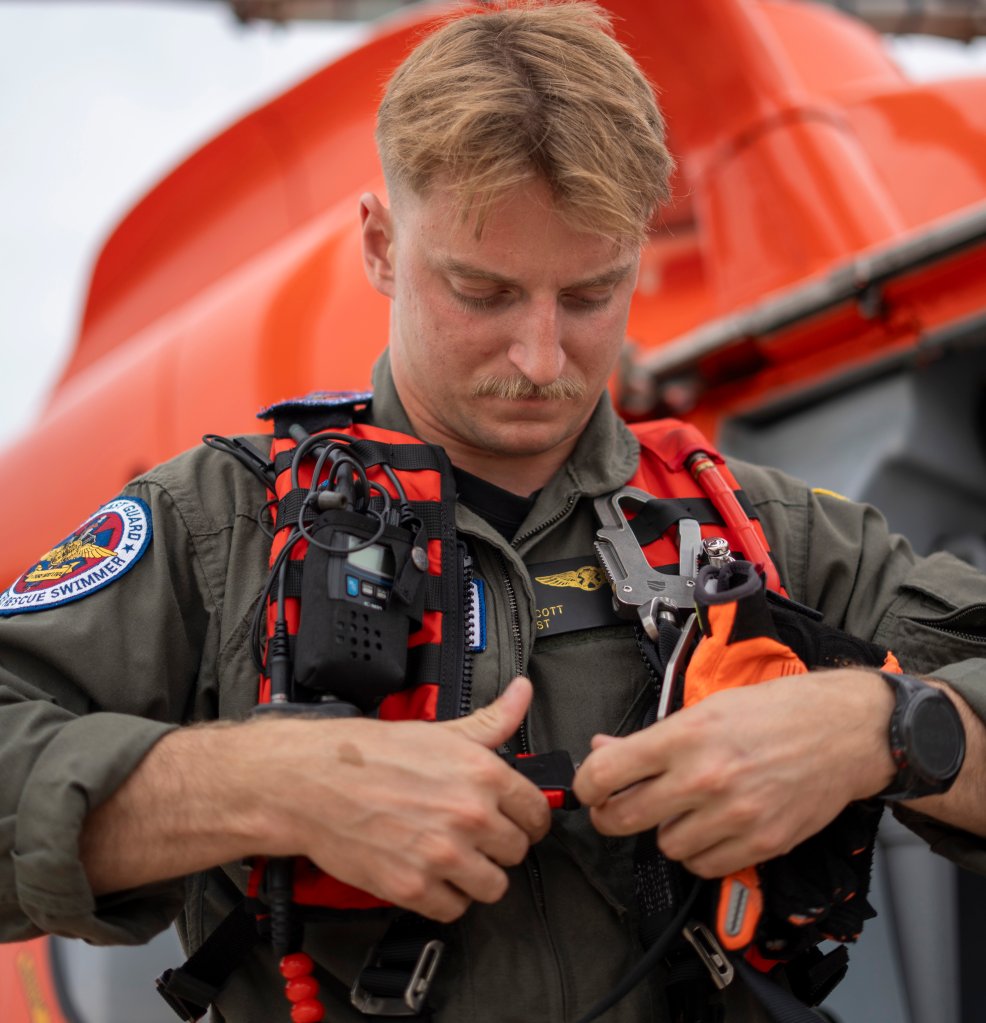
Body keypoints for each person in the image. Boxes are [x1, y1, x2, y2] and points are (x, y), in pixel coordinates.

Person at [1, 3, 985, 1021]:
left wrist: (887, 726)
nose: (541, 359)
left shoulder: (764, 531)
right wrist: (261, 784)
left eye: (591, 294)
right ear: (381, 248)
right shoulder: (216, 527)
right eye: (483, 293)